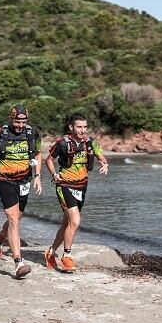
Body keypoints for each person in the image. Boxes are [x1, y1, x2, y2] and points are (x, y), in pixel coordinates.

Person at [43, 113, 108, 273]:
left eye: (85, 127)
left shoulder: (91, 142)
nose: (83, 130)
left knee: (67, 224)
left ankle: (50, 252)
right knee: (76, 221)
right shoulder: (62, 143)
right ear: (71, 127)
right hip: (64, 184)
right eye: (79, 127)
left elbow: (101, 157)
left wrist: (104, 164)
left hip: (82, 186)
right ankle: (67, 256)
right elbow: (49, 159)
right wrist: (54, 175)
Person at [0, 105, 42, 278]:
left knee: (17, 218)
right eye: (17, 121)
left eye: (24, 121)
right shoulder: (0, 132)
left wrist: (37, 175)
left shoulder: (32, 133)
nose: (20, 125)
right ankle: (18, 263)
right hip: (5, 179)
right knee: (13, 219)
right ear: (11, 119)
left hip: (24, 180)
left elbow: (38, 153)